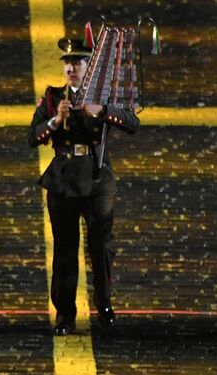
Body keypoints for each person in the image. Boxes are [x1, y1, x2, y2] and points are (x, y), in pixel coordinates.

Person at [28, 37, 139, 336]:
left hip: (96, 177)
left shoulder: (102, 96)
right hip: (63, 180)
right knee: (64, 250)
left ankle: (104, 303)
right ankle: (64, 314)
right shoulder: (53, 98)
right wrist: (54, 121)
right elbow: (32, 136)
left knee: (101, 245)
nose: (70, 68)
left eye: (76, 63)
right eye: (67, 63)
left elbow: (132, 123)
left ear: (89, 67)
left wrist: (101, 111)